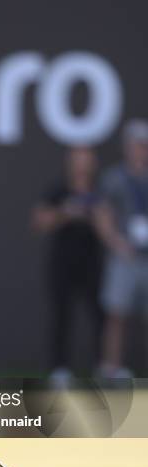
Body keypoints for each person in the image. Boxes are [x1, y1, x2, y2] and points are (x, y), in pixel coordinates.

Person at [32, 147, 104, 384]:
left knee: (100, 315)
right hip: (63, 263)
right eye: (77, 160)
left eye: (86, 160)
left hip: (93, 262)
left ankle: (104, 366)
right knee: (62, 315)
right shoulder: (58, 191)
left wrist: (96, 217)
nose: (82, 165)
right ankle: (60, 369)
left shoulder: (101, 192)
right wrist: (66, 213)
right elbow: (39, 221)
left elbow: (112, 224)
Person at [95, 119, 148, 377]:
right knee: (117, 314)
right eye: (138, 145)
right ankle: (111, 368)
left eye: (145, 145)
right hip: (125, 255)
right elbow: (102, 213)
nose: (142, 150)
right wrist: (116, 242)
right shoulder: (114, 178)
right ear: (127, 147)